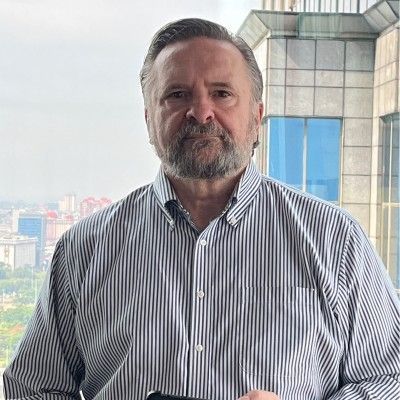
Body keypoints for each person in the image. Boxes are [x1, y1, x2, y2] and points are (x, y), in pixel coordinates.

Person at [3, 18, 400, 400]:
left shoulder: (335, 240)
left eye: (222, 93)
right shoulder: (84, 249)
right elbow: (34, 387)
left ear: (257, 116)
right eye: (177, 95)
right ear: (149, 119)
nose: (201, 112)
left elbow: (389, 378)